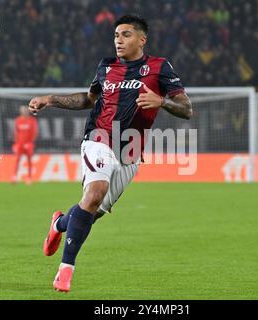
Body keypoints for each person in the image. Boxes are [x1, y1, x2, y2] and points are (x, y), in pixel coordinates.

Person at [29, 15, 193, 292]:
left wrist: (161, 101)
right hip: (98, 137)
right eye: (116, 35)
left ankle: (59, 223)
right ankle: (65, 270)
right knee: (94, 194)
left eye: (126, 34)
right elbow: (89, 99)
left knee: (92, 211)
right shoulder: (106, 66)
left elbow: (187, 109)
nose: (119, 39)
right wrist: (51, 99)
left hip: (130, 149)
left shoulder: (159, 67)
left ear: (142, 40)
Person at [12, 105, 38, 184]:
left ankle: (29, 178)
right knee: (17, 160)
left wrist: (30, 142)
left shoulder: (32, 120)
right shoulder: (17, 120)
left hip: (28, 144)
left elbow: (35, 133)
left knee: (29, 161)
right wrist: (16, 144)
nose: (24, 112)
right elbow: (16, 132)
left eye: (26, 110)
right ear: (21, 112)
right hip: (19, 144)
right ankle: (14, 177)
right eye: (23, 110)